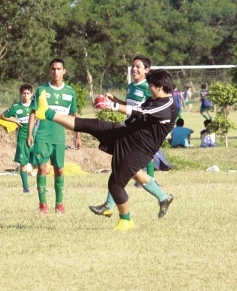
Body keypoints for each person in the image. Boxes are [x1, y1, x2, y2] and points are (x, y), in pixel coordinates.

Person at [35, 69, 176, 230]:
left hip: (138, 149)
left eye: (151, 85)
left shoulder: (167, 105)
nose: (149, 88)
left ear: (160, 86)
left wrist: (112, 105)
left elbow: (141, 113)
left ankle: (126, 220)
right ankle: (47, 113)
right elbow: (136, 116)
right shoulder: (154, 99)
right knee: (91, 124)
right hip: (126, 136)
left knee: (115, 184)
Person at [89, 55, 160, 217]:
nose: (134, 69)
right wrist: (115, 100)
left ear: (147, 70)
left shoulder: (149, 88)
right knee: (120, 165)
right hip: (128, 128)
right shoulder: (130, 87)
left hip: (139, 132)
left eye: (138, 67)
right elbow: (130, 107)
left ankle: (110, 205)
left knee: (121, 165)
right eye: (133, 66)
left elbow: (149, 111)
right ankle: (161, 195)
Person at [27, 58, 82, 214]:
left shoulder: (70, 92)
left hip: (59, 137)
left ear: (64, 71)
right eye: (53, 69)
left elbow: (74, 115)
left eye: (58, 69)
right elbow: (33, 113)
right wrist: (29, 134)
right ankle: (43, 204)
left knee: (59, 170)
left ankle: (59, 203)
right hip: (42, 135)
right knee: (43, 168)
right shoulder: (42, 90)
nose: (55, 72)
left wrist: (78, 136)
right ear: (49, 71)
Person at [0, 83, 34, 194]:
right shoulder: (16, 107)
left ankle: (41, 186)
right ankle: (26, 187)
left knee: (40, 161)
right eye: (23, 93)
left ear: (31, 94)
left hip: (36, 136)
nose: (26, 95)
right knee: (23, 163)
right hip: (22, 136)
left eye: (28, 93)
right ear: (20, 94)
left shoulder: (35, 105)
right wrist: (14, 120)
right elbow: (2, 116)